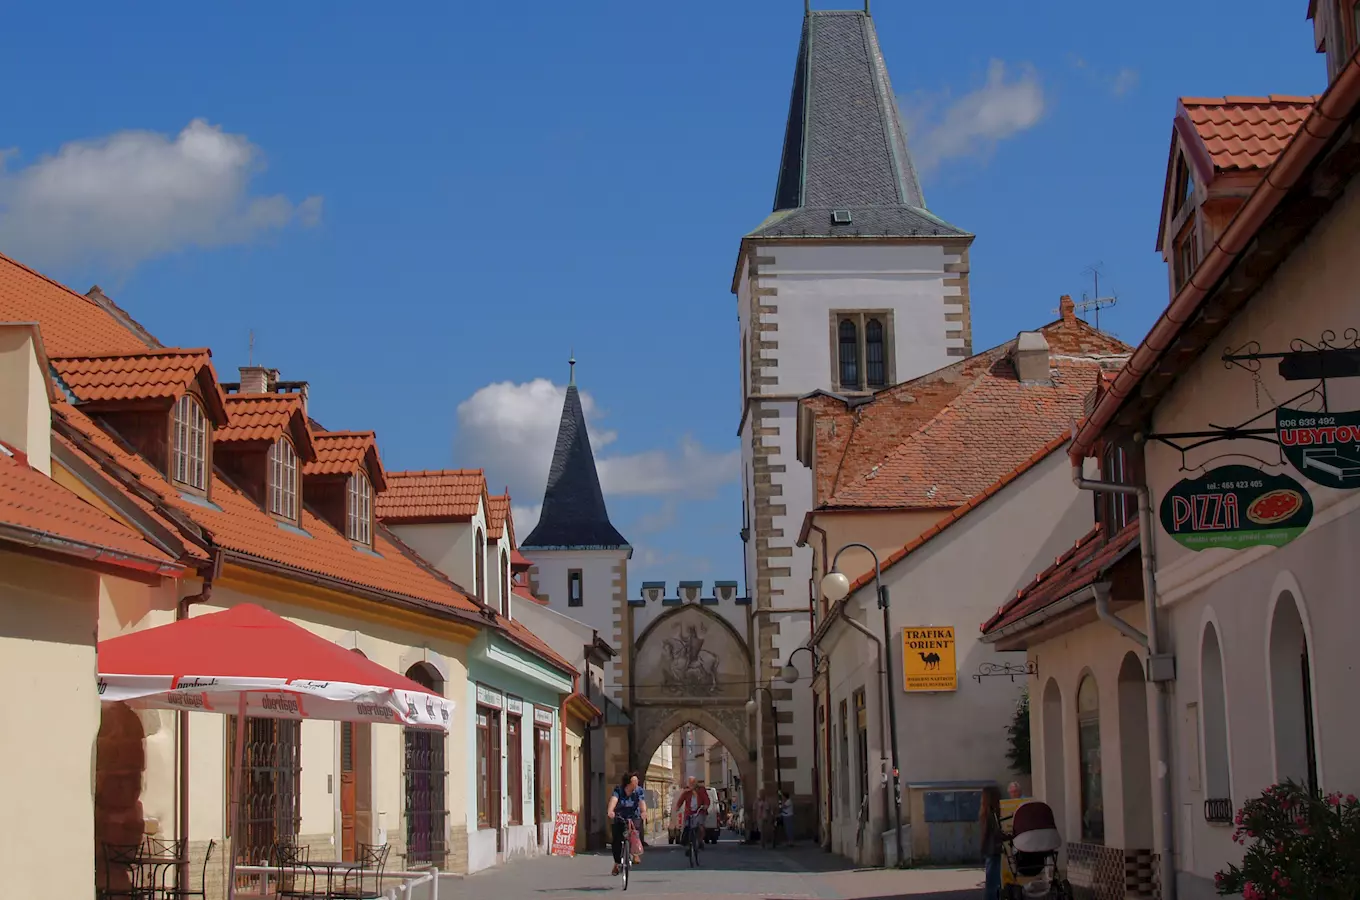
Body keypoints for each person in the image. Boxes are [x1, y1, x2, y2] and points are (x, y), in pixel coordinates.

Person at [606, 772, 647, 877]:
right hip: (620, 815)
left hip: (634, 815)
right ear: (628, 783)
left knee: (635, 831)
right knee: (616, 839)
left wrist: (643, 812)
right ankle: (617, 863)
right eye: (635, 781)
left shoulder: (638, 791)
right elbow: (613, 800)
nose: (637, 782)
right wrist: (610, 811)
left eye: (637, 781)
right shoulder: (619, 790)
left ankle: (635, 853)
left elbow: (641, 802)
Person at [673, 776, 711, 854]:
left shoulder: (701, 790)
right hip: (689, 812)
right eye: (690, 783)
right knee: (687, 827)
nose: (691, 784)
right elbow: (680, 800)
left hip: (699, 811)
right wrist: (677, 807)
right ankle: (688, 845)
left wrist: (706, 805)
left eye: (693, 783)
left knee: (700, 826)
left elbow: (706, 800)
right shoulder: (687, 792)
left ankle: (700, 840)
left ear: (696, 783)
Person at [980, 785, 1004, 900]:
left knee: (991, 880)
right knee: (996, 879)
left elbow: (986, 833)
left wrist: (982, 847)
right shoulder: (998, 812)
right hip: (998, 848)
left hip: (991, 849)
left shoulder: (988, 813)